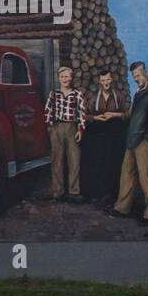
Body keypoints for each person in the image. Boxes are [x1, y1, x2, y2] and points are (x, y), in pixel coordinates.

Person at [106, 61, 148, 226]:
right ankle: (122, 208)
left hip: (144, 142)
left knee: (146, 178)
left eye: (138, 75)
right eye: (134, 76)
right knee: (127, 175)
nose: (136, 78)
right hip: (132, 140)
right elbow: (131, 116)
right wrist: (115, 115)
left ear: (145, 72)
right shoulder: (138, 93)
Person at [80, 69, 129, 204]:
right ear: (99, 82)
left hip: (115, 135)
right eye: (103, 80)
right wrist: (96, 117)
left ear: (111, 80)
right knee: (98, 163)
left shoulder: (120, 96)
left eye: (108, 80)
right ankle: (98, 193)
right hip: (99, 135)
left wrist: (115, 115)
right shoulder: (94, 98)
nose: (106, 83)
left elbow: (128, 114)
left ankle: (113, 194)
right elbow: (85, 115)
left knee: (113, 164)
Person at [44, 65, 85, 201]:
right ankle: (58, 191)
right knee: (57, 159)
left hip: (72, 127)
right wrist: (50, 126)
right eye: (62, 77)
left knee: (74, 159)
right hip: (57, 127)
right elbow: (48, 110)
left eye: (67, 76)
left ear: (71, 78)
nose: (64, 79)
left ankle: (74, 191)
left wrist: (80, 129)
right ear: (58, 79)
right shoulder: (54, 94)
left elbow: (81, 113)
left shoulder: (77, 94)